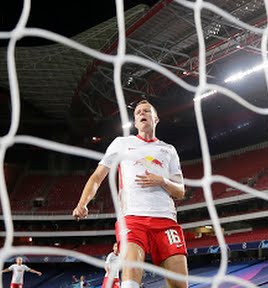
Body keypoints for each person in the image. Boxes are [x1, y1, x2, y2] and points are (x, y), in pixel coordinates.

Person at [72, 100, 187, 288]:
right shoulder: (122, 144)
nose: (142, 113)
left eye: (146, 111)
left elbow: (180, 191)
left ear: (156, 118)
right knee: (131, 278)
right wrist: (82, 203)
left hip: (165, 220)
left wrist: (162, 181)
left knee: (180, 285)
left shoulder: (168, 150)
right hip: (133, 218)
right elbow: (97, 177)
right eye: (138, 112)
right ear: (135, 121)